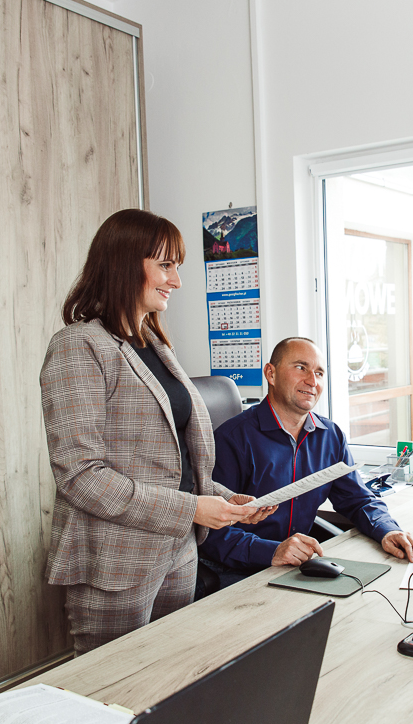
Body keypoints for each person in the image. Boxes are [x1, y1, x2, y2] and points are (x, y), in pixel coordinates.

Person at [40, 209, 273, 654]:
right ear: (126, 263)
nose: (177, 281)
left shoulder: (155, 345)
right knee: (112, 697)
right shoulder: (78, 346)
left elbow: (170, 461)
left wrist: (223, 499)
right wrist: (191, 509)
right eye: (166, 265)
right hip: (116, 561)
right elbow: (80, 477)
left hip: (177, 553)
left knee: (167, 682)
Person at [199, 337, 413, 589]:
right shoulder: (232, 439)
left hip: (295, 564)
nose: (312, 381)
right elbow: (211, 533)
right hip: (238, 568)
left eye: (319, 372)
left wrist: (387, 530)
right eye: (301, 367)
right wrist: (273, 552)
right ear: (271, 374)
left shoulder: (330, 435)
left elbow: (357, 499)